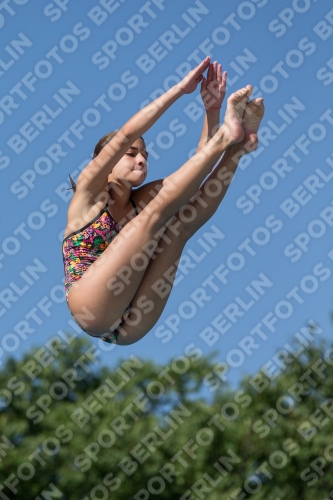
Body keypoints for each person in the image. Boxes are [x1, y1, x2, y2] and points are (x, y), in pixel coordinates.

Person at [62, 57, 265, 345]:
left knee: (180, 223)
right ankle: (226, 140)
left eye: (145, 155)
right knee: (154, 215)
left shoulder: (140, 199)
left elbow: (194, 175)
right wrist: (181, 90)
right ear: (103, 163)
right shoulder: (89, 195)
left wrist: (212, 110)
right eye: (131, 154)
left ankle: (238, 150)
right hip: (90, 308)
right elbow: (127, 133)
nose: (142, 159)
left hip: (131, 326)